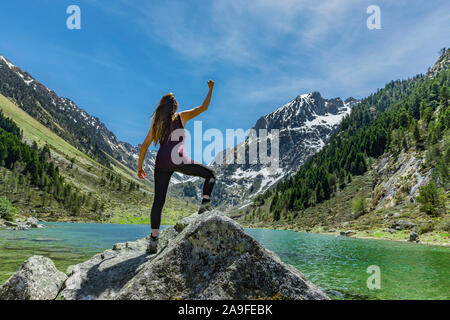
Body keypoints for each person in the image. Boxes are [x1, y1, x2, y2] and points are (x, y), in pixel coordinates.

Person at [137, 80, 216, 254]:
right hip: (177, 159)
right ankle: (204, 202)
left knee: (158, 201)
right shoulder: (181, 117)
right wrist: (210, 89)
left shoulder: (157, 124)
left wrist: (140, 168)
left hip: (160, 163)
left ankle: (153, 240)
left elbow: (144, 147)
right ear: (175, 106)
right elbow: (203, 107)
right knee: (210, 174)